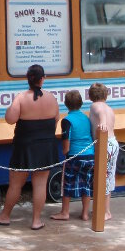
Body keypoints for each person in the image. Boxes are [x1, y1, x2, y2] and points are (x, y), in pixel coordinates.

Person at [0, 64, 60, 230]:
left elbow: (10, 119)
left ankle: (4, 216)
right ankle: (36, 220)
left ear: (28, 79)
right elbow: (56, 119)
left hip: (24, 146)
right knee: (40, 184)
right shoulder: (51, 98)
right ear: (43, 79)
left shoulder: (21, 98)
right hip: (46, 145)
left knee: (15, 184)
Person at [50, 90, 94, 222]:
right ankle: (85, 214)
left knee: (67, 183)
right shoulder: (86, 118)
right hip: (90, 155)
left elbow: (66, 139)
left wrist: (65, 152)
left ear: (66, 104)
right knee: (86, 184)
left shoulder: (67, 120)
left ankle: (65, 212)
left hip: (74, 155)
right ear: (80, 103)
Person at [88, 83, 118, 221]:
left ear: (90, 95)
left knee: (103, 177)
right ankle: (105, 210)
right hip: (113, 143)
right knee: (108, 177)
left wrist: (102, 122)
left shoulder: (96, 106)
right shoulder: (109, 108)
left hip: (105, 144)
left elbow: (100, 113)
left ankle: (104, 211)